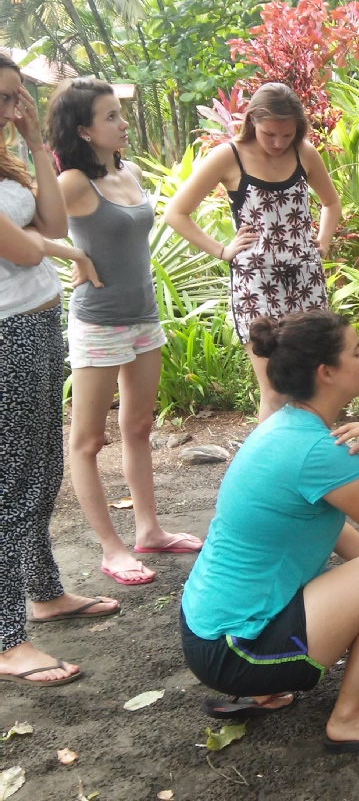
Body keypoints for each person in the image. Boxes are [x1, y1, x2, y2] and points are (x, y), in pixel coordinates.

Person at [180, 309, 359, 752]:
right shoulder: (319, 450)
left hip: (207, 634)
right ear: (327, 373)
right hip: (238, 649)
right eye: (356, 352)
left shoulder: (283, 426)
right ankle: (351, 716)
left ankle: (267, 686)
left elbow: (323, 526)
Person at [45, 78, 201, 588]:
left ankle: (148, 530)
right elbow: (27, 230)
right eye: (110, 117)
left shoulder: (128, 171)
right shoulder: (71, 182)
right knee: (88, 440)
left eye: (119, 114)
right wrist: (73, 255)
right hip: (97, 322)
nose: (123, 123)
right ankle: (111, 547)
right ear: (83, 129)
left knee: (138, 428)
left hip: (143, 318)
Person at [0, 54, 119, 688]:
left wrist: (30, 143)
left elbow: (48, 221)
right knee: (14, 481)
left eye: (18, 97)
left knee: (41, 468)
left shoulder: (10, 158)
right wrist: (63, 249)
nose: (12, 108)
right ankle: (5, 635)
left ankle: (44, 592)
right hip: (6, 335)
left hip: (38, 323)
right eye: (3, 99)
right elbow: (24, 248)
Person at [164, 82, 342, 422]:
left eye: (287, 135)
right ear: (251, 122)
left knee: (314, 383)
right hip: (255, 284)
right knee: (275, 389)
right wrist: (222, 251)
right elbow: (176, 213)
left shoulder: (304, 152)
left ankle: (316, 466)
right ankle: (273, 472)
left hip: (306, 280)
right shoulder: (227, 156)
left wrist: (323, 240)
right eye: (269, 134)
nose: (278, 143)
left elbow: (331, 203)